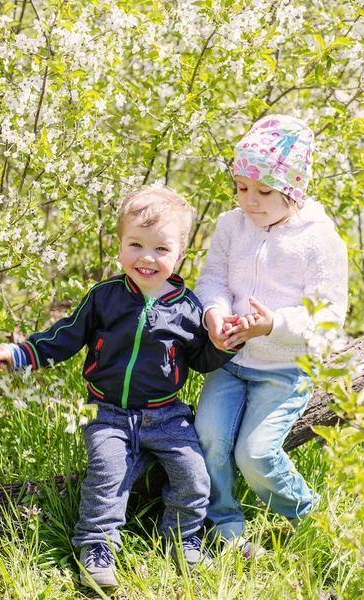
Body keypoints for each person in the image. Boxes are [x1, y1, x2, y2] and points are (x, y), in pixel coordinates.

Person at [0, 186, 240, 588]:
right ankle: (96, 546)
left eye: (161, 249)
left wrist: (225, 345)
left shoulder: (188, 307)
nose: (146, 257)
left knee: (194, 476)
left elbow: (199, 359)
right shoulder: (104, 297)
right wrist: (21, 354)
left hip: (167, 413)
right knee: (108, 475)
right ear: (119, 244)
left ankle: (182, 537)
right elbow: (65, 336)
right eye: (135, 244)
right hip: (106, 412)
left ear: (180, 255)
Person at [194, 114, 348, 558]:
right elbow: (213, 280)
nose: (249, 201)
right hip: (230, 362)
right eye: (242, 187)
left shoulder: (319, 241)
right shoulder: (231, 225)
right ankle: (224, 526)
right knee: (209, 439)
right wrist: (216, 315)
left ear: (293, 192)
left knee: (256, 455)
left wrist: (272, 325)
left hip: (283, 368)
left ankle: (310, 517)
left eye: (264, 191)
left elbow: (328, 317)